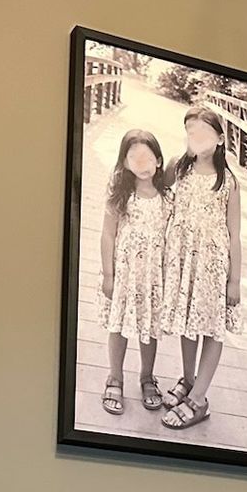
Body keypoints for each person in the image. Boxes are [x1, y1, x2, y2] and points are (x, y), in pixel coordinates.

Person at [159, 105, 242, 431]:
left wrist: (234, 280)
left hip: (212, 265)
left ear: (220, 139)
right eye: (191, 133)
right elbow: (157, 190)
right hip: (184, 261)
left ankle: (199, 399)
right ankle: (189, 378)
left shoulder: (228, 182)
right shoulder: (178, 170)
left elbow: (235, 234)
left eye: (204, 133)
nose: (197, 139)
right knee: (188, 322)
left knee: (210, 327)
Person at [99, 128, 170, 416]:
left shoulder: (167, 195)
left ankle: (146, 376)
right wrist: (108, 274)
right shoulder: (120, 192)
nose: (141, 163)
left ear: (158, 160)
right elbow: (107, 235)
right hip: (125, 273)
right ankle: (114, 376)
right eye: (134, 157)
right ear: (124, 162)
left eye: (147, 156)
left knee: (148, 327)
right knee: (118, 325)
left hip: (153, 276)